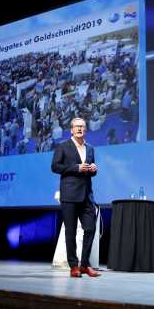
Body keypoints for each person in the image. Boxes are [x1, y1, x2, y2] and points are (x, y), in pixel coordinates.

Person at [51, 117, 100, 278]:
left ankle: (84, 265)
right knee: (70, 233)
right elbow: (55, 167)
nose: (80, 129)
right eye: (77, 126)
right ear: (71, 130)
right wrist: (76, 167)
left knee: (90, 229)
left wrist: (93, 169)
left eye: (82, 127)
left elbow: (91, 171)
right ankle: (74, 266)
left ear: (85, 130)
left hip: (86, 196)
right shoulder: (63, 146)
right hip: (70, 196)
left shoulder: (91, 149)